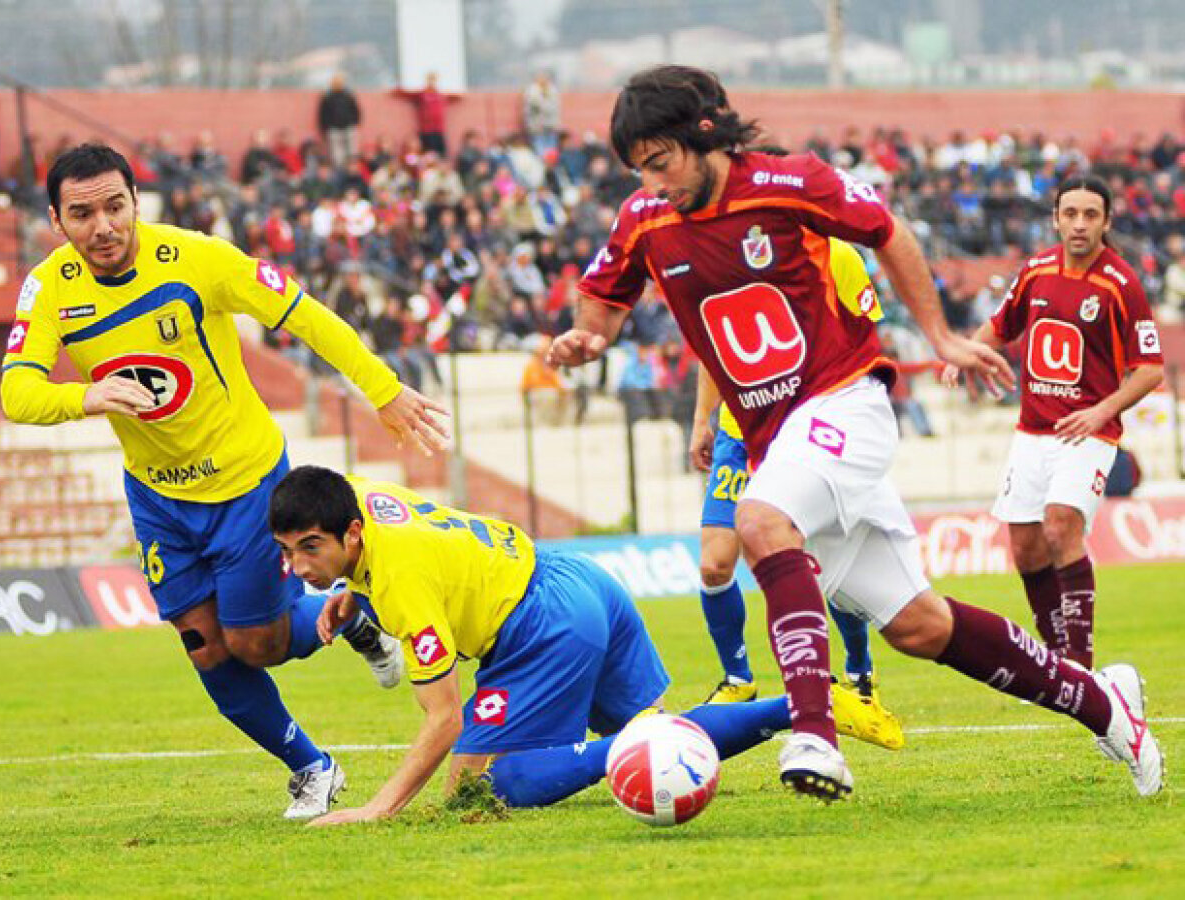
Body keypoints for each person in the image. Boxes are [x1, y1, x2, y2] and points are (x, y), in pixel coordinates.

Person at [548, 66, 1161, 800]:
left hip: (846, 401)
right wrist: (588, 338)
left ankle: (815, 735)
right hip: (781, 442)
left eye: (661, 162)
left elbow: (887, 231)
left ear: (702, 134)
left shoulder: (787, 182)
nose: (654, 183)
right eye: (640, 170)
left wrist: (940, 336)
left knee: (759, 521)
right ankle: (1106, 707)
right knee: (921, 627)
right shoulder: (645, 218)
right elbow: (603, 298)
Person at [0, 144, 450, 819]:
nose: (103, 227)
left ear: (136, 201)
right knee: (205, 647)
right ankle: (312, 768)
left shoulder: (199, 259)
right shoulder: (49, 287)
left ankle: (351, 613)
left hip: (245, 483)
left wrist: (383, 391)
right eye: (83, 214)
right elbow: (17, 391)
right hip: (157, 496)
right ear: (57, 220)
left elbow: (304, 314)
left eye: (115, 206)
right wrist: (84, 396)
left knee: (255, 644)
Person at [268, 466, 890, 825]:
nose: (297, 567)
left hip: (539, 626)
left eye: (311, 549)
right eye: (288, 552)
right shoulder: (353, 494)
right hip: (577, 578)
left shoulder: (400, 580)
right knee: (664, 736)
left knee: (478, 789)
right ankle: (809, 705)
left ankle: (638, 744)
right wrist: (352, 588)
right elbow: (394, 548)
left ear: (352, 533)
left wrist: (378, 809)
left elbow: (443, 718)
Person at [691, 237, 903, 752]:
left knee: (824, 567)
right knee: (715, 565)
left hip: (806, 428)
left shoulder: (839, 256)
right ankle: (738, 679)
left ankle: (859, 673)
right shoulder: (724, 252)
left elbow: (862, 338)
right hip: (740, 433)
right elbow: (711, 346)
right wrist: (702, 419)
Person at [943, 177, 1164, 669]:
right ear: (1056, 219)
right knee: (1025, 548)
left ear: (1106, 221)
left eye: (1090, 215)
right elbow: (1000, 325)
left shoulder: (1121, 283)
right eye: (1070, 214)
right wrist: (965, 353)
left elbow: (1150, 369)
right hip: (1032, 432)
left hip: (1087, 432)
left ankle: (1079, 664)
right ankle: (1058, 662)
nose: (1079, 224)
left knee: (1061, 526)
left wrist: (1102, 410)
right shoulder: (1037, 269)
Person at [317, 74, 362, 170]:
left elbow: (355, 110)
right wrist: (325, 127)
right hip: (334, 129)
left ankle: (352, 170)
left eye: (340, 82)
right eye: (336, 82)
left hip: (348, 127)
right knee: (337, 155)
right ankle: (340, 171)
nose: (338, 84)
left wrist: (354, 122)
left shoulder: (348, 95)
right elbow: (323, 113)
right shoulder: (327, 96)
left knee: (352, 152)